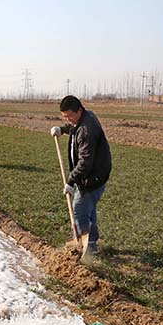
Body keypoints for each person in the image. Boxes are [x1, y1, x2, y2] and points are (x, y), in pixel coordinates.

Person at [50, 95, 112, 265]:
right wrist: (63, 129)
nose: (67, 119)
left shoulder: (87, 129)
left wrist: (70, 182)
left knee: (79, 210)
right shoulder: (84, 118)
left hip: (92, 176)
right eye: (64, 117)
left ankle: (86, 249)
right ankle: (92, 243)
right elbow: (74, 127)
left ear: (79, 110)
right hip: (95, 173)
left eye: (69, 116)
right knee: (88, 209)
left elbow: (85, 162)